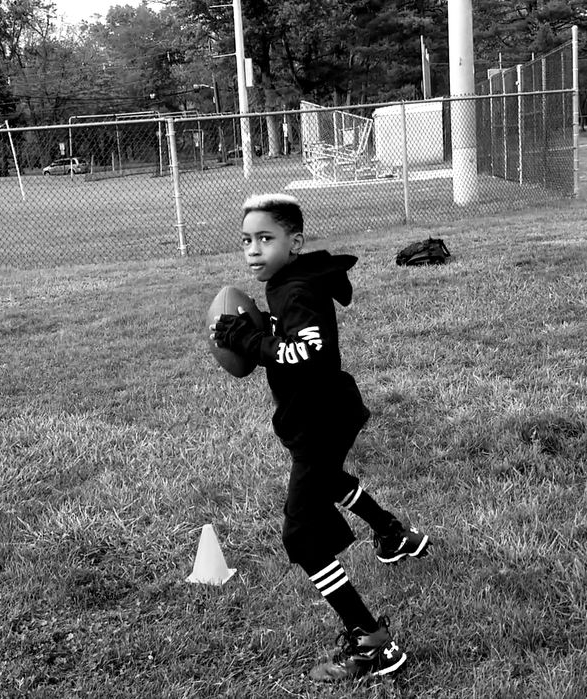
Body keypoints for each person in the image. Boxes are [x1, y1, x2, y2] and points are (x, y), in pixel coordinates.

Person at [209, 193, 431, 681]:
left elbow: (307, 352)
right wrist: (261, 326)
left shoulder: (295, 291)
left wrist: (250, 340)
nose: (253, 250)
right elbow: (294, 336)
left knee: (301, 537)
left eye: (265, 239)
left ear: (295, 242)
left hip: (319, 422)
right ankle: (392, 534)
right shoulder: (290, 283)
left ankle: (372, 643)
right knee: (328, 480)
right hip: (327, 413)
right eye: (246, 240)